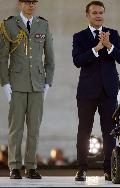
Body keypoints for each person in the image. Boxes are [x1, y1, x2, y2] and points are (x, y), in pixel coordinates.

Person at [72, 1, 120, 181]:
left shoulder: (113, 34)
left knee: (109, 131)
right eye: (94, 12)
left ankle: (109, 168)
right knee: (84, 130)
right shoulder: (79, 36)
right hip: (87, 92)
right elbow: (77, 61)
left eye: (101, 12)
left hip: (109, 91)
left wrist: (109, 45)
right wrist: (96, 49)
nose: (98, 15)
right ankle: (81, 168)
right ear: (87, 15)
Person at [0, 0, 55, 179]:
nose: (31, 5)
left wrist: (48, 83)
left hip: (37, 84)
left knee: (34, 129)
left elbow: (50, 57)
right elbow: (2, 58)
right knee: (16, 128)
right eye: (27, 2)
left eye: (34, 2)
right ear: (20, 4)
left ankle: (31, 167)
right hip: (16, 84)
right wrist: (5, 84)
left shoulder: (43, 24)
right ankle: (14, 166)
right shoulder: (9, 24)